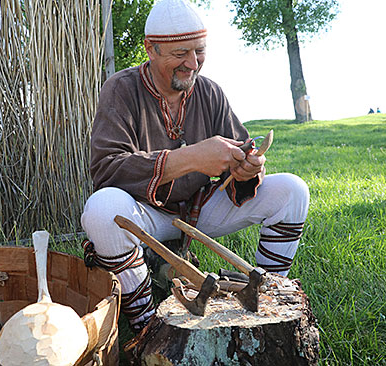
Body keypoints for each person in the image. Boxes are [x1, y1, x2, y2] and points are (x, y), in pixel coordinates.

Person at [81, 0, 309, 333]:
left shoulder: (210, 92)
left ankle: (269, 295)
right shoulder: (121, 89)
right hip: (146, 216)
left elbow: (242, 157)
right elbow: (106, 170)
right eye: (180, 54)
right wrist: (189, 158)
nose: (192, 63)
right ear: (151, 49)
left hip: (200, 211)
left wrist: (246, 169)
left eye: (199, 51)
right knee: (101, 210)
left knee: (291, 190)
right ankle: (147, 325)